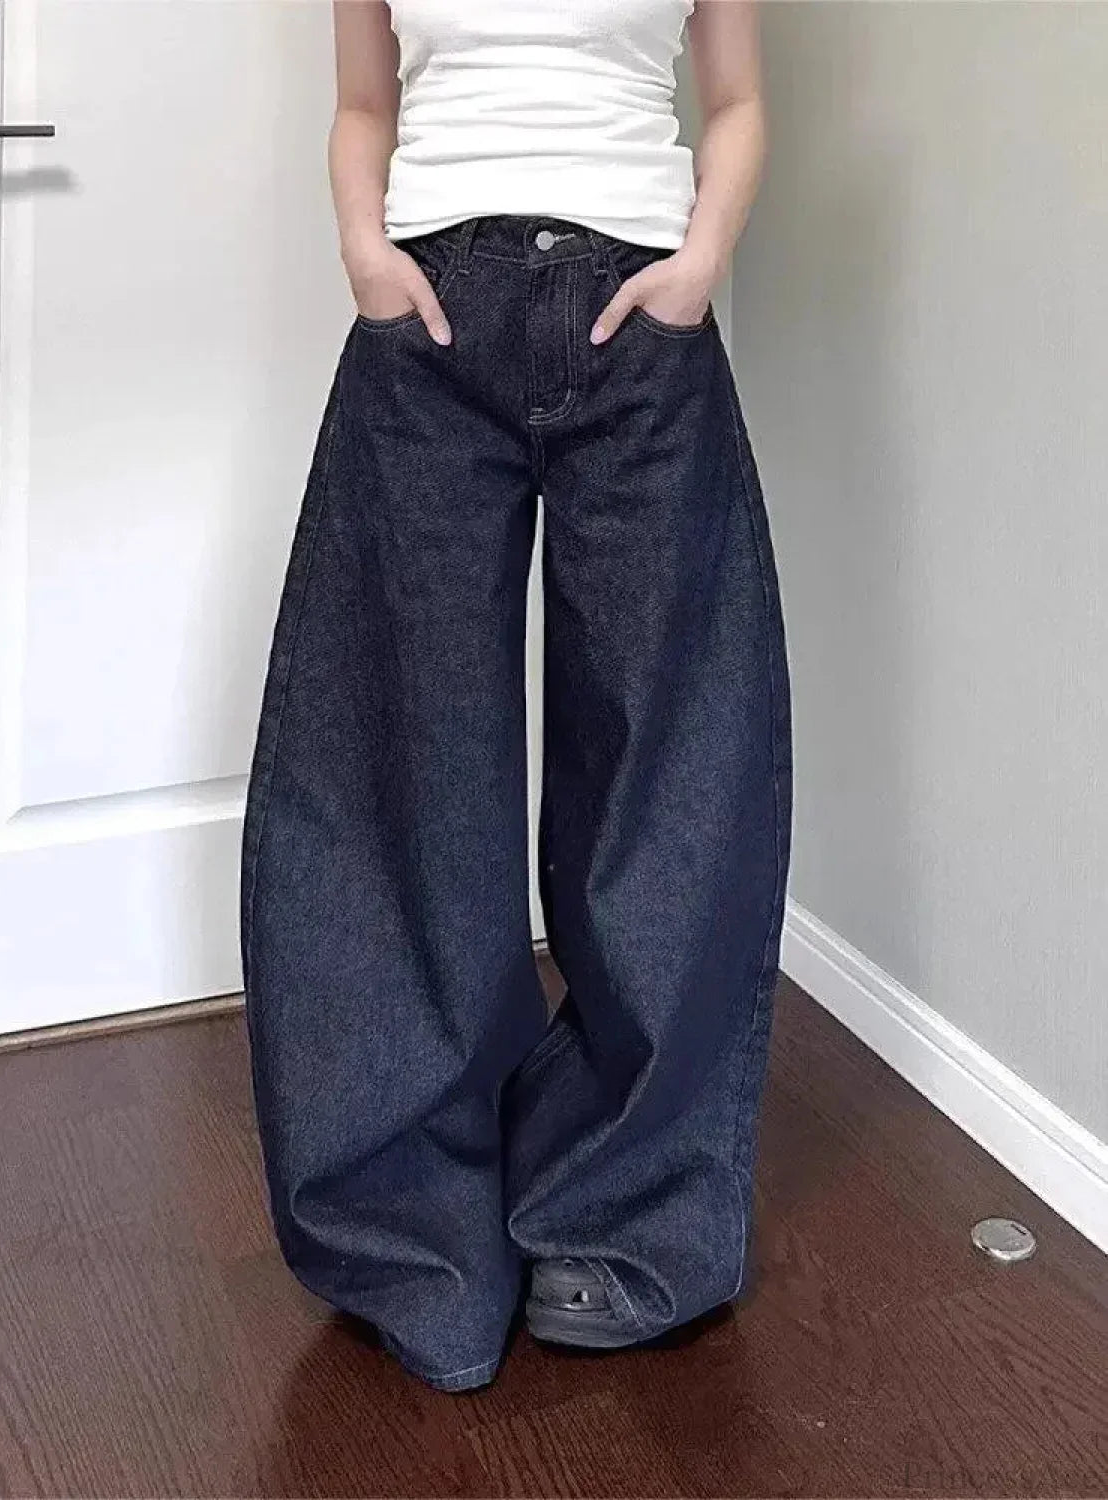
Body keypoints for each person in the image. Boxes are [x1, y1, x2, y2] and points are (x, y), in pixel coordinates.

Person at [240, 0, 792, 1393]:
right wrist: (364, 251)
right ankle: (411, 1234)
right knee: (398, 770)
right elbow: (364, 103)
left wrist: (700, 262)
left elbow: (734, 101)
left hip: (642, 325)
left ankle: (622, 1215)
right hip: (426, 327)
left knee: (666, 769)